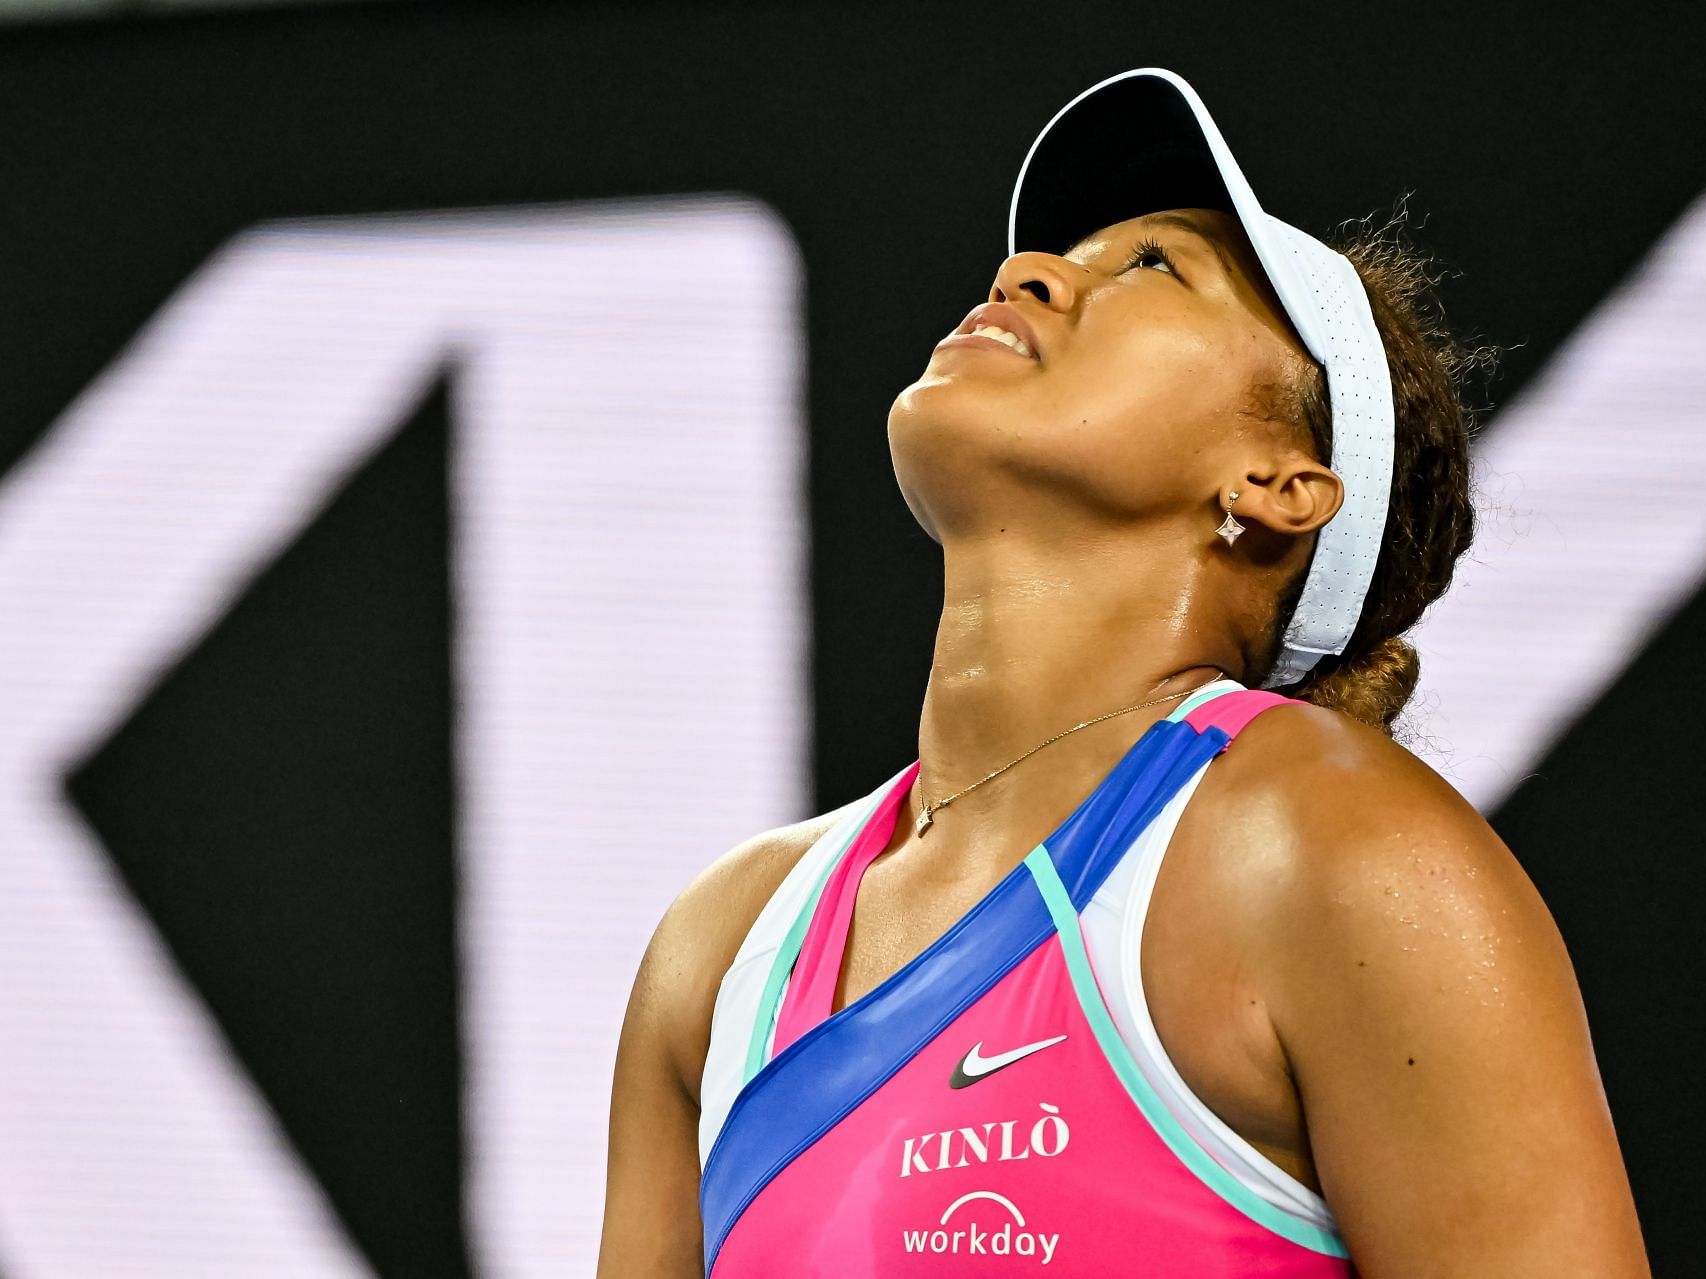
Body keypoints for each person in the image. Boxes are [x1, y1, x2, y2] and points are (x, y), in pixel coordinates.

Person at [597, 68, 1652, 1277]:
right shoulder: (722, 946)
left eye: (1152, 267)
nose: (1029, 274)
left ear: (1278, 483)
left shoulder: (1335, 850)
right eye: (1062, 252)